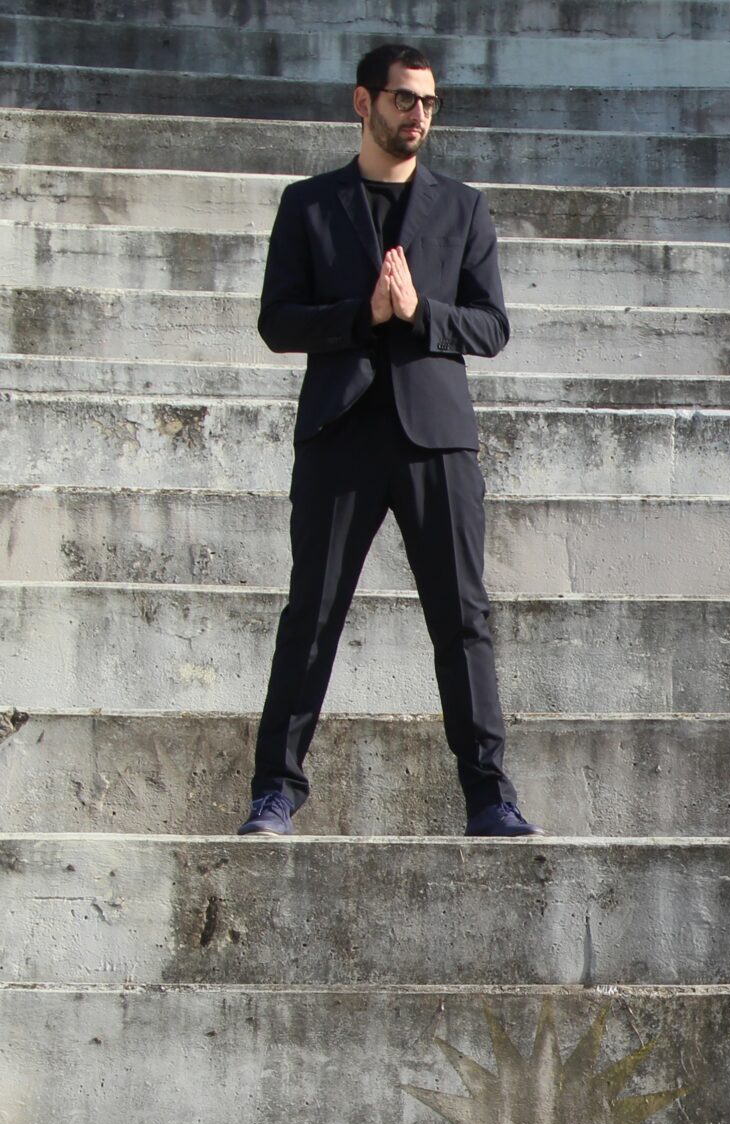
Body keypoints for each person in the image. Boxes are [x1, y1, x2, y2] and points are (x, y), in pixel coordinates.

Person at [238, 43, 535, 836]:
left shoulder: (463, 208)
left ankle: (488, 795)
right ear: (363, 103)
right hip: (340, 432)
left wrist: (416, 314)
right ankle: (276, 790)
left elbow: (491, 325)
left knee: (462, 617)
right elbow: (277, 321)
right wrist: (361, 317)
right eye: (404, 100)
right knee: (313, 613)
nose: (418, 116)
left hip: (435, 438)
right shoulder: (309, 204)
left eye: (429, 103)